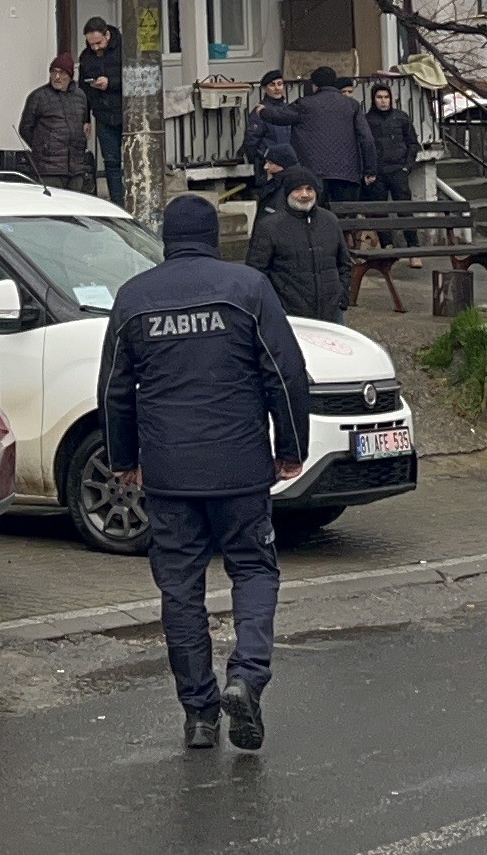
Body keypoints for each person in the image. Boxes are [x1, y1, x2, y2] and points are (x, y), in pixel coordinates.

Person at [98, 193, 311, 752]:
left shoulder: (134, 297)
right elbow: (285, 374)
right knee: (254, 570)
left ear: (166, 238)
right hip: (240, 467)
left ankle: (199, 714)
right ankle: (246, 676)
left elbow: (116, 391)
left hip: (167, 473)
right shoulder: (248, 289)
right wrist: (291, 448)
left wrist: (125, 462)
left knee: (180, 591)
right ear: (213, 236)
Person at [242, 168, 352, 323]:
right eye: (298, 189)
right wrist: (274, 306)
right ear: (288, 192)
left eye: (309, 189)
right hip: (289, 314)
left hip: (331, 312)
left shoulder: (330, 220)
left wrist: (342, 297)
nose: (304, 195)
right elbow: (256, 272)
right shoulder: (269, 226)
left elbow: (344, 263)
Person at [285, 66, 378, 208]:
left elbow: (279, 116)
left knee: (318, 219)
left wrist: (262, 111)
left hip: (315, 174)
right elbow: (367, 139)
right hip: (347, 175)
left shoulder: (305, 104)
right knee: (345, 221)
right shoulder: (352, 105)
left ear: (315, 85)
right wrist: (370, 170)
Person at [21, 54, 91, 187]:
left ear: (70, 75)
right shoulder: (38, 96)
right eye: (54, 72)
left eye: (62, 73)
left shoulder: (80, 96)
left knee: (75, 205)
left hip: (76, 168)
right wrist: (42, 147)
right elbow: (25, 128)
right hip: (49, 169)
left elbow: (82, 124)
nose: (57, 77)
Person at [78, 16, 125, 201]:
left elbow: (135, 79)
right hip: (103, 115)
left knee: (131, 159)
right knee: (111, 162)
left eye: (98, 43)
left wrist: (110, 83)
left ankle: (134, 199)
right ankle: (118, 203)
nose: (95, 48)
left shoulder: (125, 50)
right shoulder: (86, 57)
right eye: (91, 44)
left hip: (126, 112)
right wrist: (86, 119)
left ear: (107, 35)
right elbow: (83, 91)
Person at [362, 82, 420, 207]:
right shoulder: (366, 120)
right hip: (377, 173)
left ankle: (407, 228)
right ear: (373, 99)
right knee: (377, 212)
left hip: (398, 170)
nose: (383, 101)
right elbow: (362, 146)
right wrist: (367, 170)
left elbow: (413, 143)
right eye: (379, 97)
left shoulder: (401, 117)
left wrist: (407, 166)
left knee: (405, 211)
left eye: (386, 97)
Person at [240, 72, 301, 188]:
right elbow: (251, 141)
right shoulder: (260, 111)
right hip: (268, 165)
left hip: (288, 164)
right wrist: (259, 161)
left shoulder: (288, 110)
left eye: (280, 84)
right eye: (272, 85)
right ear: (264, 88)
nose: (277, 88)